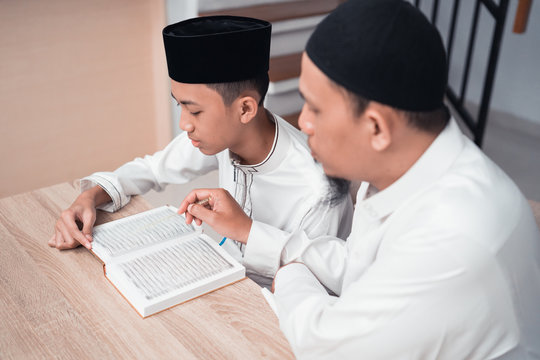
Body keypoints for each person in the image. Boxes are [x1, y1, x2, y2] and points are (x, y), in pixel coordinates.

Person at [181, 1, 540, 358]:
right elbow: (355, 264)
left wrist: (291, 277)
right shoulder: (406, 169)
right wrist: (249, 232)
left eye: (315, 108)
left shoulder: (450, 241)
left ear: (376, 127)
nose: (303, 124)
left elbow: (324, 344)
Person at [49, 15, 353, 288]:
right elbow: (152, 169)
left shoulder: (319, 190)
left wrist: (248, 231)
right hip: (214, 280)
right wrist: (88, 197)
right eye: (178, 105)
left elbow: (323, 289)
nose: (184, 124)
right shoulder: (222, 136)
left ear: (245, 108)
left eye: (194, 111)